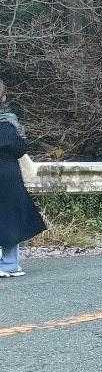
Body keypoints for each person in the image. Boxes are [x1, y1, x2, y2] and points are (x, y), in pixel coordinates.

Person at [0, 79, 46, 278]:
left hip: (6, 174)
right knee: (11, 218)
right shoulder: (8, 122)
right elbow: (20, 147)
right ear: (3, 97)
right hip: (8, 174)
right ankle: (10, 263)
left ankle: (8, 264)